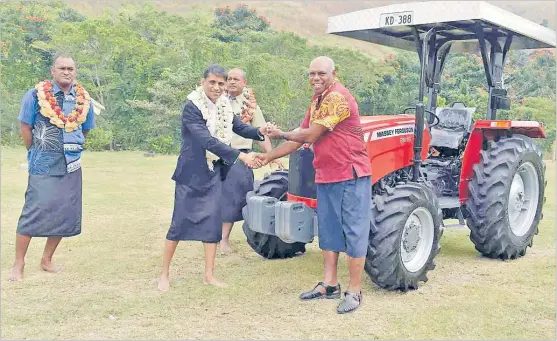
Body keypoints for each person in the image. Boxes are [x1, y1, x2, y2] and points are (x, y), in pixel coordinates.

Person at [256, 56, 372, 314]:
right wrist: (269, 156)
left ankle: (354, 290)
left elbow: (310, 135)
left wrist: (279, 133)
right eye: (311, 74)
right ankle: (330, 285)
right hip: (327, 173)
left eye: (321, 73)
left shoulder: (338, 98)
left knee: (354, 231)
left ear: (334, 73)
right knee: (329, 230)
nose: (315, 78)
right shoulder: (318, 99)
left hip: (350, 174)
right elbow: (300, 137)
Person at [157, 64, 271, 292]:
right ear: (203, 82)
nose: (217, 87)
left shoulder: (224, 106)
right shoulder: (192, 107)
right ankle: (164, 274)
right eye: (213, 82)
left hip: (214, 173)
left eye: (221, 83)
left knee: (212, 225)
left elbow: (239, 127)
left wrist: (262, 131)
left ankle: (209, 275)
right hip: (191, 174)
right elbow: (207, 141)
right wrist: (241, 157)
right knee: (178, 224)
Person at [8, 54, 96, 281]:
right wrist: (37, 150)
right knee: (33, 211)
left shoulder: (83, 98)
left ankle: (47, 259)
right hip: (43, 162)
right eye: (62, 68)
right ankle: (18, 264)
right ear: (52, 71)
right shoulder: (35, 95)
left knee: (64, 212)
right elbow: (25, 128)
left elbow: (85, 129)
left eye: (71, 68)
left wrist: (71, 146)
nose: (67, 72)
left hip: (72, 163)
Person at [219, 68, 284, 253]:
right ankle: (210, 236)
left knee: (233, 198)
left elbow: (260, 133)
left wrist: (271, 155)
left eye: (236, 79)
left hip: (241, 157)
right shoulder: (217, 100)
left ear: (244, 83)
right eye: (229, 79)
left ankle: (224, 239)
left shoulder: (251, 106)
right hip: (216, 154)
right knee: (213, 196)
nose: (231, 82)